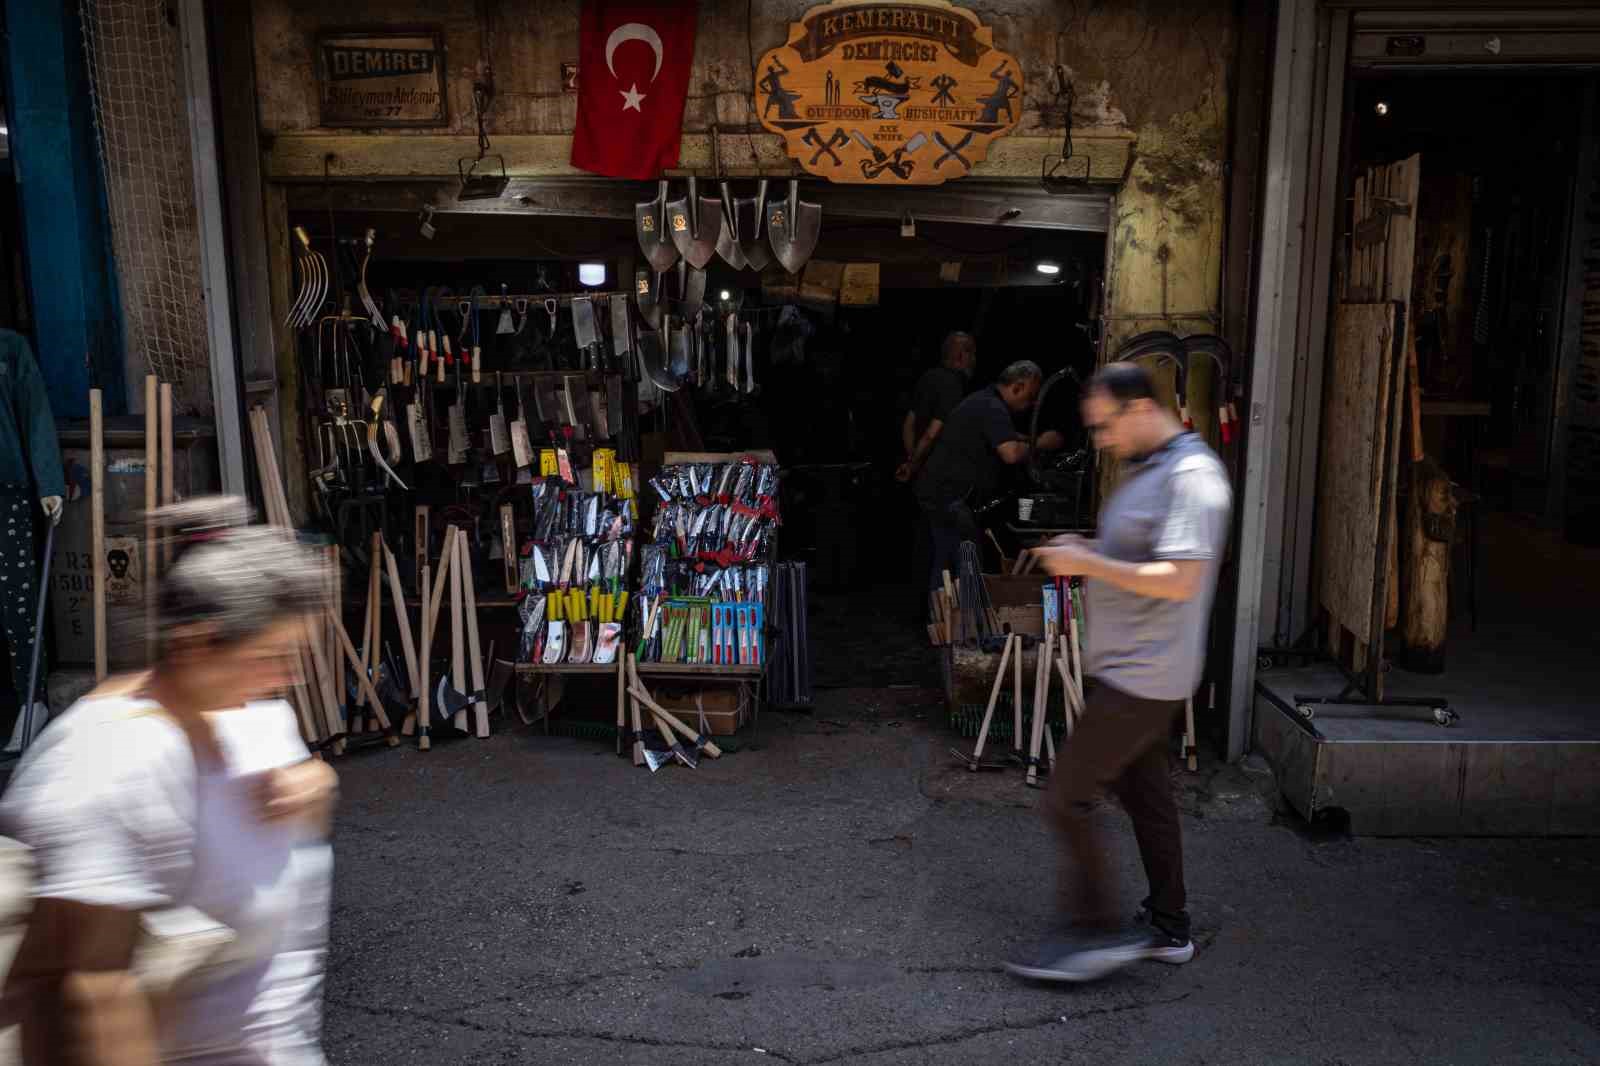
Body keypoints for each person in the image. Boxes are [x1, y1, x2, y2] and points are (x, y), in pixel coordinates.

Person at [0, 497, 338, 1064]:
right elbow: (98, 994)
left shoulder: (248, 712)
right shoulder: (110, 761)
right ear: (196, 643)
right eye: (273, 655)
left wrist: (317, 784)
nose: (289, 675)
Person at [1004, 362, 1232, 984]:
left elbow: (1180, 578)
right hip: (1130, 669)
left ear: (1137, 410)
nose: (1100, 441)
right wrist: (1089, 550)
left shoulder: (1192, 477)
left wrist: (1090, 563)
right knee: (1148, 800)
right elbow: (1140, 556)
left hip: (1146, 675)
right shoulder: (1150, 469)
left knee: (1064, 799)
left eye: (1105, 428)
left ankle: (1094, 934)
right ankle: (1169, 926)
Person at [906, 360, 1063, 592]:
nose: (1031, 404)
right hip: (947, 496)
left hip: (944, 493)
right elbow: (1010, 452)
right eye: (1030, 396)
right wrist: (1041, 443)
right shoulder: (991, 406)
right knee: (963, 560)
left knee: (950, 559)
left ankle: (945, 618)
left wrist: (1029, 440)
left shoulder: (985, 401)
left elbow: (1008, 437)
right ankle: (954, 621)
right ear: (1018, 387)